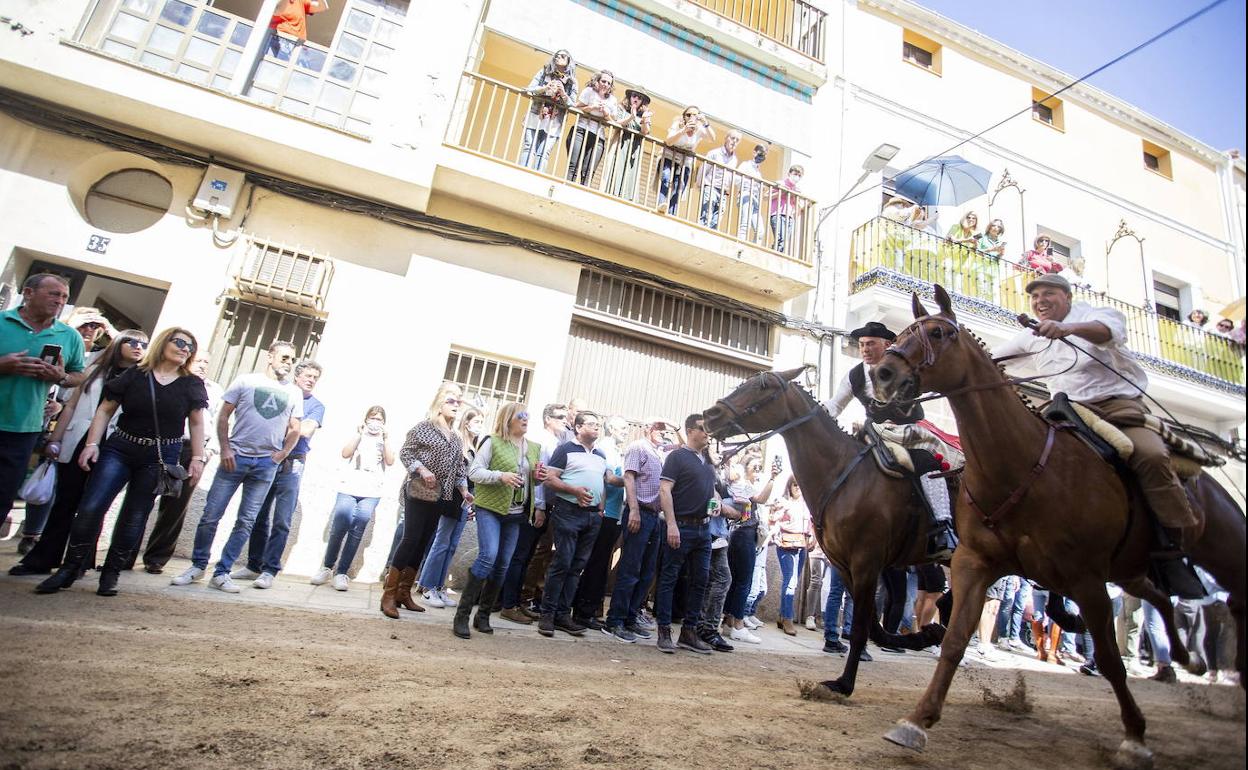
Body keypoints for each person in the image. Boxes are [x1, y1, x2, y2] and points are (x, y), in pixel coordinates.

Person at [994, 273, 1199, 555]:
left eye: (1048, 294)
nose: (1040, 301)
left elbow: (1106, 331)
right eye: (1035, 296)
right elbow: (990, 358)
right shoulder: (1030, 335)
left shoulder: (1096, 314)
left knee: (1150, 455)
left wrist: (1068, 329)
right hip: (1067, 412)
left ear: (1067, 296)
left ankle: (1178, 541)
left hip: (1117, 405)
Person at [36, 328, 207, 596]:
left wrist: (197, 458)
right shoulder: (136, 374)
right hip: (120, 447)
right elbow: (105, 409)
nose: (186, 348)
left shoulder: (192, 384)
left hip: (159, 456)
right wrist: (92, 445)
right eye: (180, 342)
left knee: (134, 516)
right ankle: (69, 569)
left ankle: (111, 573)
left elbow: (197, 423)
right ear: (163, 344)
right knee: (91, 507)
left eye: (191, 345)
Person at [9, 330, 147, 577]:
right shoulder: (94, 367)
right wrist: (56, 438)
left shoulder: (144, 377)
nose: (139, 347)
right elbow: (71, 404)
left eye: (144, 344)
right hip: (78, 439)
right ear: (118, 344)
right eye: (133, 341)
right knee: (65, 501)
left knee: (95, 506)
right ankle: (43, 557)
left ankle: (80, 561)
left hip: (113, 445)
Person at [171, 340, 303, 592]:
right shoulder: (246, 381)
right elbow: (223, 415)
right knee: (211, 515)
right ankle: (198, 566)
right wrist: (226, 448)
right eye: (284, 357)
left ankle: (221, 572)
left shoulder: (294, 392)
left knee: (246, 521)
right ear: (270, 356)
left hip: (265, 465)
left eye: (292, 359)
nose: (288, 363)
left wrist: (280, 455)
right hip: (235, 458)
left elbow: (295, 428)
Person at [821, 321, 959, 559]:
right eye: (862, 344)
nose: (864, 349)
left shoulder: (905, 368)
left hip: (909, 434)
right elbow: (835, 405)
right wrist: (813, 416)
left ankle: (943, 526)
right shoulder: (854, 375)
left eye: (871, 344)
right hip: (873, 434)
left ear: (887, 345)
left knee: (928, 464)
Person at [15, 306, 118, 555]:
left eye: (95, 327)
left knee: (53, 480)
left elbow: (130, 347)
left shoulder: (98, 358)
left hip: (69, 425)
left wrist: (108, 326)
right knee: (29, 473)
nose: (89, 330)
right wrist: (71, 324)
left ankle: (34, 535)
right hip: (35, 418)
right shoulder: (58, 343)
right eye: (85, 325)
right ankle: (31, 531)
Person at [1, 274, 87, 535]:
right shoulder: (2, 322)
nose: (60, 301)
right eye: (53, 294)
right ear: (28, 293)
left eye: (63, 297)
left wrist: (60, 377)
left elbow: (78, 375)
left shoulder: (69, 336)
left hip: (24, 429)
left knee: (3, 496)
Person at [379, 382, 473, 618]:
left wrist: (464, 490)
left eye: (459, 401)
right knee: (410, 539)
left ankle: (403, 593)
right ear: (440, 403)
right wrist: (421, 469)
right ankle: (388, 595)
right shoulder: (424, 427)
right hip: (418, 491)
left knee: (423, 543)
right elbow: (405, 452)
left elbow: (459, 469)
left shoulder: (456, 437)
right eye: (451, 400)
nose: (456, 404)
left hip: (441, 495)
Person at [455, 402, 542, 638]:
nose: (526, 419)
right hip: (490, 509)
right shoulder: (492, 442)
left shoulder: (534, 447)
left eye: (527, 415)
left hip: (516, 514)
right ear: (508, 419)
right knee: (488, 556)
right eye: (521, 415)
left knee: (503, 563)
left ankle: (483, 616)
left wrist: (538, 478)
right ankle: (462, 615)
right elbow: (474, 472)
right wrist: (500, 476)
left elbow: (533, 480)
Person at [236, 359, 324, 588]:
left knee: (282, 520)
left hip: (292, 465)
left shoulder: (316, 406)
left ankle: (270, 569)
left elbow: (304, 430)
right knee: (258, 514)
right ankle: (253, 565)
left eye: (315, 377)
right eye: (308, 375)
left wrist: (280, 424)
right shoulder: (283, 395)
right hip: (268, 460)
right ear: (297, 376)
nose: (311, 380)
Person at [536, 410, 620, 637]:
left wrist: (601, 508)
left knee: (577, 566)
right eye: (592, 424)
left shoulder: (601, 455)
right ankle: (547, 614)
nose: (596, 428)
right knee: (562, 562)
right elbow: (550, 478)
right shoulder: (564, 450)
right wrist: (573, 490)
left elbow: (604, 482)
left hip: (593, 516)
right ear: (578, 427)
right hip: (568, 511)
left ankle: (563, 615)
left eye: (598, 425)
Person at [139, 348, 224, 573]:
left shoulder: (215, 391)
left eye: (207, 361)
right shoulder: (172, 381)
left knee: (176, 506)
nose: (203, 365)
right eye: (199, 360)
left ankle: (156, 558)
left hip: (193, 451)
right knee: (142, 498)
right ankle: (125, 554)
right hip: (164, 444)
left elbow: (218, 421)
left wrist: (208, 453)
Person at [654, 413, 722, 654]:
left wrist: (714, 502)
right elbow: (664, 489)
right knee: (669, 577)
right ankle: (663, 630)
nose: (707, 434)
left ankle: (689, 632)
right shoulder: (677, 457)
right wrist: (671, 524)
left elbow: (712, 489)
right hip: (681, 526)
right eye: (703, 429)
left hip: (704, 529)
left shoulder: (707, 461)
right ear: (691, 430)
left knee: (701, 580)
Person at [603, 417, 671, 642]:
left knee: (647, 571)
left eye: (666, 430)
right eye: (659, 429)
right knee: (630, 568)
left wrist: (673, 426)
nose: (663, 433)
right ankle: (615, 621)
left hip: (655, 516)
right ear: (648, 429)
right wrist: (632, 509)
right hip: (639, 511)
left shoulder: (659, 452)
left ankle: (630, 618)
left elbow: (682, 445)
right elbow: (629, 477)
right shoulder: (638, 447)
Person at [312, 405, 394, 590]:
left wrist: (386, 439)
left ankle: (342, 572)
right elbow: (345, 453)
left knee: (357, 529)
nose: (375, 422)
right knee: (339, 526)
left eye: (379, 419)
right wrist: (359, 434)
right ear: (366, 419)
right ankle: (327, 566)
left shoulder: (384, 440)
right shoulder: (359, 436)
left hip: (372, 491)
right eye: (372, 418)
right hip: (349, 486)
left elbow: (390, 461)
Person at [420, 406, 483, 607]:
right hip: (451, 497)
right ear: (466, 423)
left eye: (482, 422)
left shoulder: (475, 447)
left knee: (452, 544)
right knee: (442, 542)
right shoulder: (457, 441)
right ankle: (427, 586)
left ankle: (439, 587)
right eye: (477, 422)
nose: (480, 426)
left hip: (466, 499)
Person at [571, 415, 629, 629]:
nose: (625, 431)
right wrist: (633, 480)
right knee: (594, 563)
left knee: (600, 563)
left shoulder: (616, 449)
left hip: (614, 514)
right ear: (611, 428)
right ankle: (583, 611)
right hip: (605, 514)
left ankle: (589, 610)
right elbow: (610, 479)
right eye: (622, 427)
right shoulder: (606, 447)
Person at [723, 457, 778, 642]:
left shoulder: (747, 485)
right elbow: (761, 499)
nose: (757, 470)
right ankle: (738, 623)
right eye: (755, 467)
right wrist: (772, 478)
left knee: (739, 581)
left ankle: (729, 621)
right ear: (745, 469)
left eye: (759, 467)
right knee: (743, 581)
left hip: (744, 534)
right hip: (743, 534)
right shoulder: (742, 485)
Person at [518, 49, 576, 173]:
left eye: (563, 56)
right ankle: (522, 173)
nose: (558, 57)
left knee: (544, 152)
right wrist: (544, 88)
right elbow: (529, 89)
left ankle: (537, 177)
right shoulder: (544, 72)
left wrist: (563, 94)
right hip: (536, 114)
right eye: (557, 55)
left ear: (568, 61)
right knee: (529, 146)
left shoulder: (571, 81)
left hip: (555, 120)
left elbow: (573, 104)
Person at [770, 477, 812, 635]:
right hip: (786, 544)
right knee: (791, 581)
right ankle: (787, 618)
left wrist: (811, 536)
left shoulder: (806, 503)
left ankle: (783, 615)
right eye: (795, 484)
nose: (798, 488)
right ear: (790, 486)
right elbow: (772, 520)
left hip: (802, 543)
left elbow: (811, 523)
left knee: (792, 581)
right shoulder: (782, 501)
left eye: (801, 484)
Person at [658, 105, 714, 216]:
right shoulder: (678, 125)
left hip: (685, 162)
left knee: (680, 186)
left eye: (695, 115)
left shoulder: (699, 130)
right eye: (688, 115)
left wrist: (705, 122)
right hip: (669, 157)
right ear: (684, 117)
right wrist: (683, 130)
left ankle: (671, 212)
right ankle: (661, 204)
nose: (691, 117)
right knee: (666, 177)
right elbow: (669, 141)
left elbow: (712, 138)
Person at [566, 69, 619, 186]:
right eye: (603, 81)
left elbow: (613, 122)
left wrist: (606, 113)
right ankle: (568, 189)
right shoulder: (589, 92)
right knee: (573, 166)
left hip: (598, 137)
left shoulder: (612, 100)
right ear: (597, 81)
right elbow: (575, 107)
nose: (605, 84)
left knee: (588, 172)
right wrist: (591, 107)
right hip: (580, 130)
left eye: (608, 83)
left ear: (611, 86)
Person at [607, 88, 652, 199]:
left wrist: (645, 120)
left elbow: (645, 131)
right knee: (616, 167)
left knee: (631, 171)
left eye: (639, 97)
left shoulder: (644, 114)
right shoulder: (621, 108)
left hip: (635, 147)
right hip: (621, 142)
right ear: (630, 97)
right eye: (634, 95)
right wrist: (631, 116)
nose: (636, 99)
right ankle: (613, 193)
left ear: (643, 101)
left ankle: (627, 197)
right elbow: (618, 122)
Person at [697, 130, 740, 230]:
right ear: (726, 138)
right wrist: (700, 185)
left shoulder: (734, 159)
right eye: (732, 138)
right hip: (711, 187)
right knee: (706, 215)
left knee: (716, 220)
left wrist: (728, 190)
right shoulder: (715, 153)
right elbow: (703, 169)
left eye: (737, 140)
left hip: (723, 192)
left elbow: (730, 176)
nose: (734, 141)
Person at [735, 144, 767, 243]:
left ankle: (754, 249)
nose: (762, 157)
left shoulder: (758, 171)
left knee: (760, 230)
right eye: (760, 153)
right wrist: (748, 182)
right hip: (746, 195)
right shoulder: (746, 165)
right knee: (745, 224)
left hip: (755, 199)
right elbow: (737, 179)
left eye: (764, 155)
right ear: (754, 152)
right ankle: (740, 246)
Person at [769, 164, 804, 254]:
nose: (797, 177)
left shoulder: (797, 189)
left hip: (789, 217)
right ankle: (775, 255)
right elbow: (766, 196)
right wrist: (782, 192)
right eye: (795, 174)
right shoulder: (780, 183)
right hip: (777, 214)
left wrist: (796, 200)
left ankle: (776, 254)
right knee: (781, 238)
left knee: (784, 241)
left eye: (799, 175)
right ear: (789, 174)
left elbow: (797, 205)